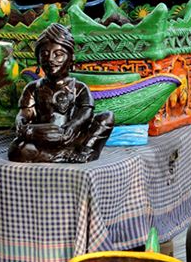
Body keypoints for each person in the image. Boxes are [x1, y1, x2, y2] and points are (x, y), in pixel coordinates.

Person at [8, 23, 114, 163]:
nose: (51, 59)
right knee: (17, 150)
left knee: (107, 117)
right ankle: (62, 155)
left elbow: (86, 112)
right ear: (38, 60)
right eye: (45, 54)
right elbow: (25, 114)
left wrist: (74, 125)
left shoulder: (79, 87)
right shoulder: (33, 88)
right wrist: (24, 126)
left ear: (71, 59)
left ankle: (87, 150)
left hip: (72, 137)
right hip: (42, 139)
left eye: (58, 55)